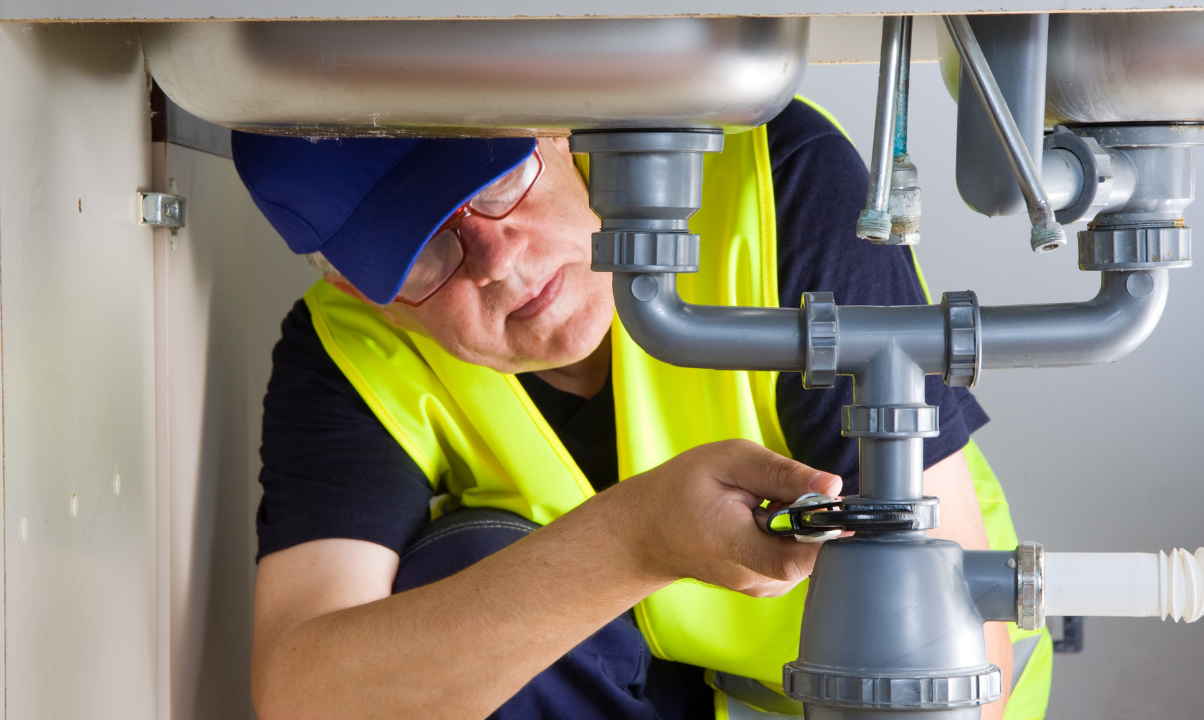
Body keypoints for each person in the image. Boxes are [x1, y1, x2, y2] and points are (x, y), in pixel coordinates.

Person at [234, 98, 1051, 720]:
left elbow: (954, 667)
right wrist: (629, 540)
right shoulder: (347, 351)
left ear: (554, 131)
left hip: (915, 693)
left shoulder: (770, 179)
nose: (497, 260)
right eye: (421, 252)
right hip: (650, 695)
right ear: (356, 285)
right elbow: (310, 691)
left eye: (497, 183)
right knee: (462, 575)